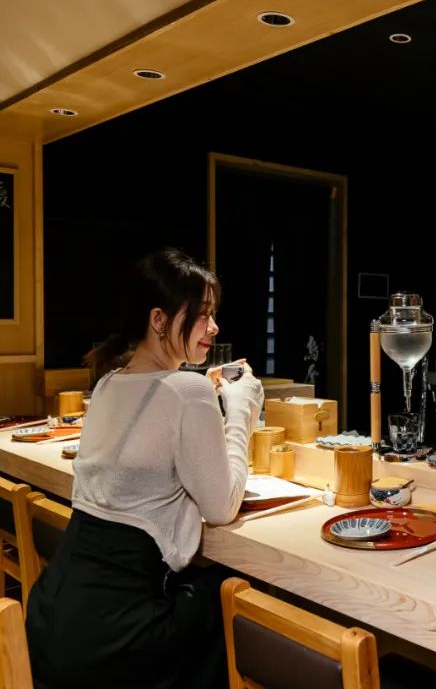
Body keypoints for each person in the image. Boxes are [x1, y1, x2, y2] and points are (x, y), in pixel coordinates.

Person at [26, 248, 264, 688]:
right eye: (202, 314)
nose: (214, 327)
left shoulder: (108, 382)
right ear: (158, 319)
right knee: (244, 595)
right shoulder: (187, 391)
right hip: (118, 636)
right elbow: (221, 507)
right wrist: (241, 410)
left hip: (52, 618)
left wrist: (205, 394)